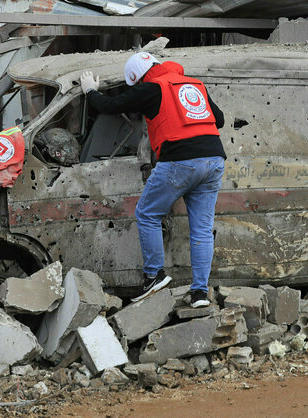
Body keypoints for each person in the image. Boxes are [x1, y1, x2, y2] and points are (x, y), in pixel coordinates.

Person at [80, 52, 225, 308]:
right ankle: (200, 293)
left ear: (138, 78)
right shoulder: (194, 84)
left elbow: (110, 107)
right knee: (201, 229)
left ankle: (154, 275)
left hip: (179, 160)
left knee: (147, 213)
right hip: (213, 159)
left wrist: (91, 91)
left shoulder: (150, 87)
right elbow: (219, 119)